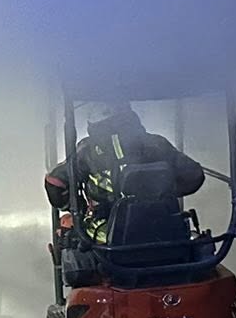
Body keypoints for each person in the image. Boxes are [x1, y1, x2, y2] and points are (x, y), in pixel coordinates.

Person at [44, 103, 206, 249]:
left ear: (93, 122)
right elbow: (194, 176)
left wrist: (78, 208)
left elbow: (54, 182)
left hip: (107, 238)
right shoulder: (157, 144)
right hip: (164, 230)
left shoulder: (86, 152)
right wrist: (165, 191)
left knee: (68, 237)